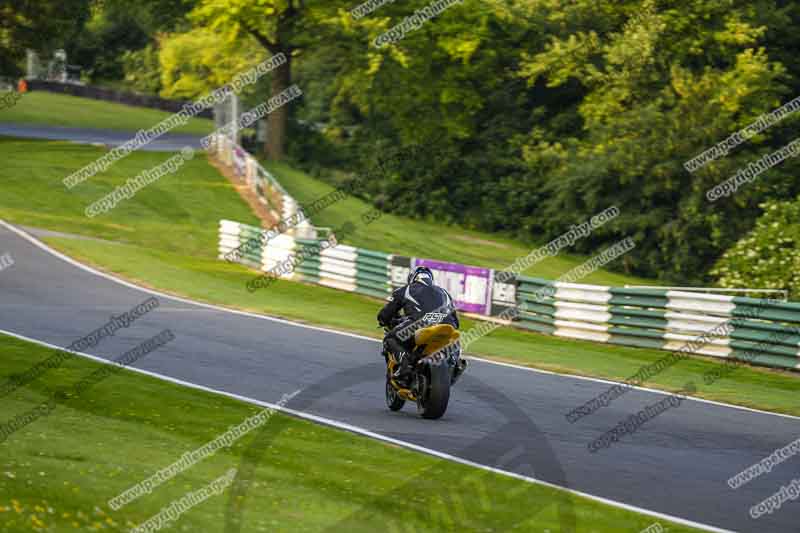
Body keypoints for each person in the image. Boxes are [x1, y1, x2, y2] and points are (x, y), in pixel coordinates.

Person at [377, 266, 467, 384]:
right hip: (447, 325)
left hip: (419, 324)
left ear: (412, 278)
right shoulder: (445, 293)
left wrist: (384, 321)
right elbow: (456, 322)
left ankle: (405, 365)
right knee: (455, 340)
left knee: (389, 339)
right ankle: (456, 364)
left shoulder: (405, 289)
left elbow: (385, 315)